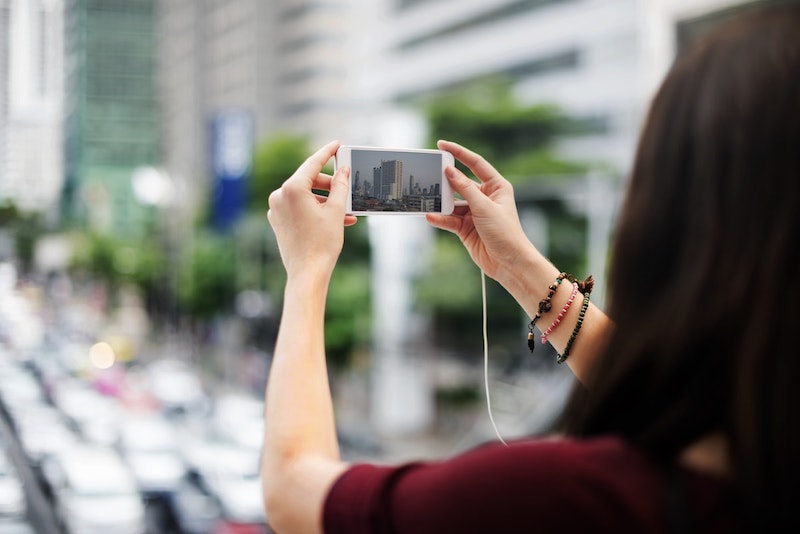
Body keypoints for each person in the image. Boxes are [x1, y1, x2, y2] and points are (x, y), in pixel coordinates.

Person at [261, 3, 799, 533]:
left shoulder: (564, 497)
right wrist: (516, 265)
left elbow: (293, 492)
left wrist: (307, 269)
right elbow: (660, 394)